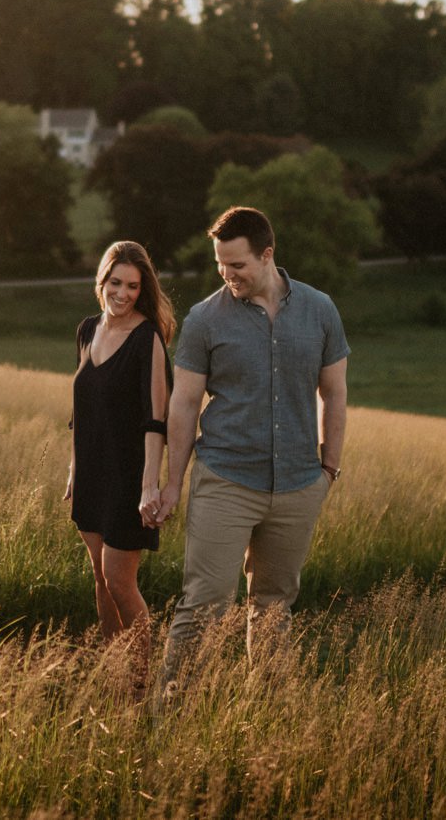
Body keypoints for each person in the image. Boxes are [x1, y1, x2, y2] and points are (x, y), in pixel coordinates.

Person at [143, 206, 349, 699]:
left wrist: (329, 469)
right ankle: (170, 715)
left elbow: (334, 393)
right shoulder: (205, 319)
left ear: (268, 254)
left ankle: (267, 710)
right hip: (226, 482)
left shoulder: (320, 310)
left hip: (300, 484)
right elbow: (185, 404)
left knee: (275, 607)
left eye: (237, 265)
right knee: (204, 606)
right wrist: (173, 483)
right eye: (220, 265)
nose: (226, 275)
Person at [66, 239, 174, 676]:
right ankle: (114, 671)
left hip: (129, 476)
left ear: (142, 289)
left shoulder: (147, 338)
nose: (123, 293)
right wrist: (74, 467)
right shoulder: (87, 330)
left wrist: (149, 485)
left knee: (120, 583)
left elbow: (156, 419)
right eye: (116, 283)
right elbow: (80, 409)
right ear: (103, 281)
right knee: (98, 578)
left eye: (133, 286)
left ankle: (140, 682)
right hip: (91, 472)